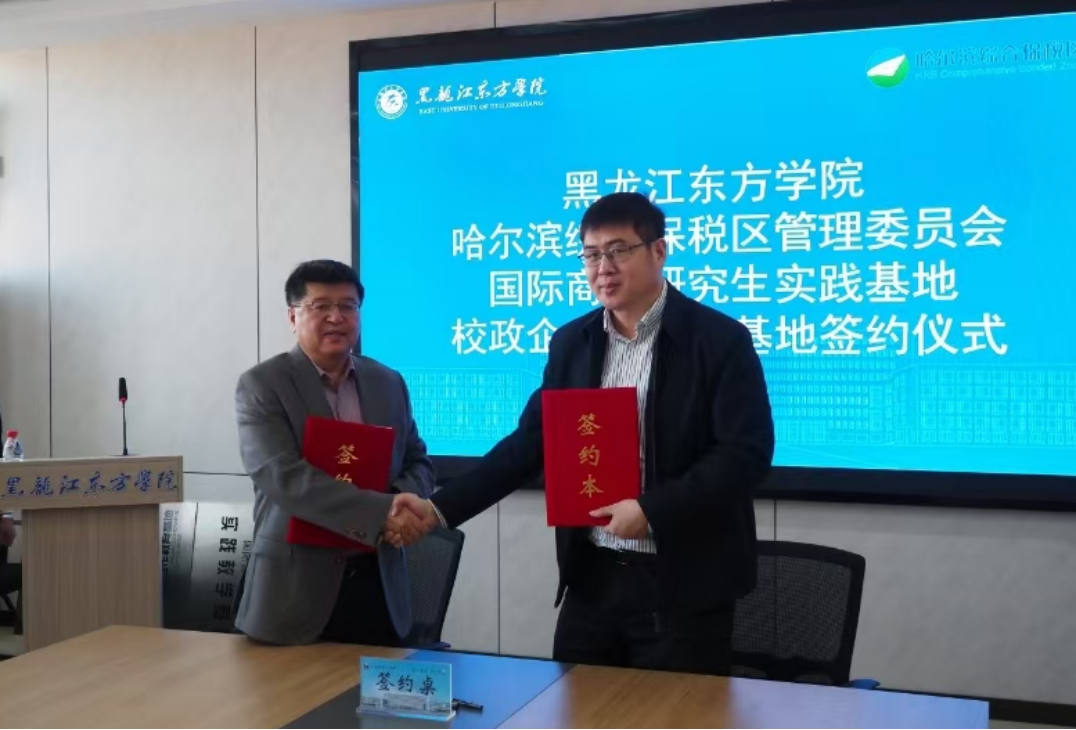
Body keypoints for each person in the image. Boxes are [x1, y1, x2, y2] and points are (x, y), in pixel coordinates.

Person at [394, 192, 774, 675]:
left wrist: (651, 510)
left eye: (619, 251)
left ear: (659, 251)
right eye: (592, 255)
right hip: (593, 579)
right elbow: (531, 443)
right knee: (574, 706)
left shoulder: (719, 339)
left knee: (677, 712)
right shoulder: (573, 342)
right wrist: (438, 508)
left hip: (684, 587)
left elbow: (745, 454)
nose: (603, 268)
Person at [234, 259, 435, 647]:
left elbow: (418, 460)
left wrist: (402, 503)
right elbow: (284, 478)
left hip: (378, 582)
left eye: (347, 306)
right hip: (294, 590)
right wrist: (383, 513)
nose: (336, 317)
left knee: (378, 687)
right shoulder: (262, 385)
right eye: (321, 306)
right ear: (293, 316)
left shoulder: (388, 382)